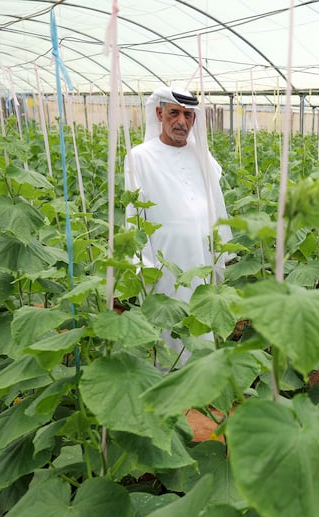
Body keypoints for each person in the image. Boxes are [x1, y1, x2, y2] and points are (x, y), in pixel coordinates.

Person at [124, 86, 231, 368]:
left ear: (194, 120)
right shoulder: (140, 157)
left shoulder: (201, 156)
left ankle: (201, 380)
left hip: (202, 255)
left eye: (187, 115)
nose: (181, 121)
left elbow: (215, 206)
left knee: (202, 320)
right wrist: (140, 265)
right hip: (165, 260)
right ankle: (170, 383)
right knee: (170, 321)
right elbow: (134, 214)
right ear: (159, 114)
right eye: (174, 113)